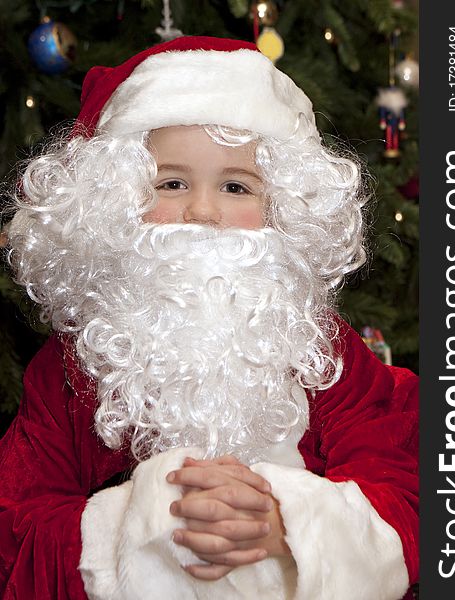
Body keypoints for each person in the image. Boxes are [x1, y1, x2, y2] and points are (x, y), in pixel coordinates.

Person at [0, 36, 418, 600]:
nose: (202, 211)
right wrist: (143, 523)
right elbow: (15, 524)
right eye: (171, 183)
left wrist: (289, 521)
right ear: (114, 201)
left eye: (235, 186)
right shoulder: (71, 369)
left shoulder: (323, 353)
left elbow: (410, 477)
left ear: (282, 207)